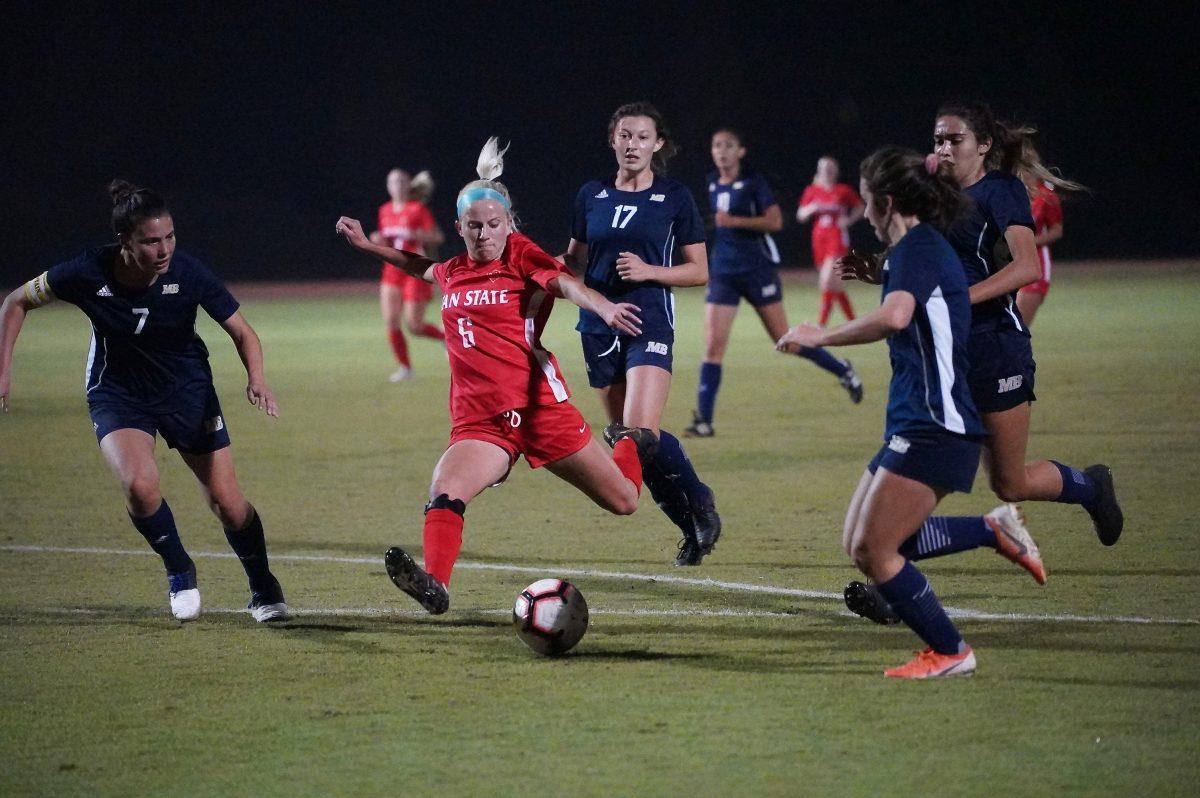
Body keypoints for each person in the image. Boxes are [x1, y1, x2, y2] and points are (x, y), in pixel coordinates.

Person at [336, 138, 655, 615]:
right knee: (445, 489)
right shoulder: (452, 271)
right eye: (473, 226)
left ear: (509, 223)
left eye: (493, 224)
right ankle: (435, 586)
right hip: (481, 421)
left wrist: (604, 305)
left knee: (625, 501)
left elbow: (564, 283)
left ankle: (630, 440)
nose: (484, 234)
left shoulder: (521, 255)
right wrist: (368, 246)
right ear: (459, 227)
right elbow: (422, 267)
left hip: (539, 410)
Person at [835, 101, 1123, 627]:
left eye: (954, 140)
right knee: (924, 468)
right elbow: (928, 264)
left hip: (994, 348)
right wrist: (876, 270)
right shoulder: (937, 197)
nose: (943, 149)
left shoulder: (1000, 192)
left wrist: (962, 299)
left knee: (1008, 483)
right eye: (938, 139)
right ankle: (893, 577)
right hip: (945, 354)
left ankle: (1090, 486)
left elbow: (1026, 265)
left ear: (984, 145)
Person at [779, 148, 1047, 678]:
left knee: (878, 551)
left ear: (889, 202)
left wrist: (821, 336)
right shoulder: (914, 248)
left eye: (869, 199)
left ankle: (952, 652)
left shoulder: (919, 245)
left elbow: (896, 315)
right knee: (861, 542)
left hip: (936, 423)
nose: (866, 212)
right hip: (915, 417)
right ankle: (990, 531)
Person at [0, 181, 289, 622]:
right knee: (139, 485)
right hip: (118, 391)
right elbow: (15, 302)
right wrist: (3, 371)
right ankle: (179, 570)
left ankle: (264, 588)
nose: (163, 249)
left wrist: (257, 378)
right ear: (124, 242)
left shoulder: (189, 273)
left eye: (169, 237)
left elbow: (243, 332)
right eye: (151, 241)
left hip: (186, 389)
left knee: (228, 504)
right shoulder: (86, 271)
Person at [562, 102, 722, 566]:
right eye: (625, 135)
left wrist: (650, 270)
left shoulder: (675, 197)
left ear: (658, 144)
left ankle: (701, 505)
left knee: (639, 434)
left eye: (642, 137)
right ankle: (690, 527)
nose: (633, 144)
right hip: (597, 325)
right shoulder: (590, 195)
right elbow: (573, 261)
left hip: (648, 321)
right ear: (612, 141)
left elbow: (699, 272)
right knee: (623, 438)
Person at [684, 129, 863, 438]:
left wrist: (736, 221)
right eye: (716, 145)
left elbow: (776, 221)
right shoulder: (712, 181)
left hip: (758, 271)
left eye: (728, 145)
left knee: (784, 340)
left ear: (740, 151)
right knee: (713, 348)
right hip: (724, 273)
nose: (721, 151)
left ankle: (843, 371)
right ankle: (704, 421)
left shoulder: (754, 183)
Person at [372, 168, 446, 382]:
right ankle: (405, 368)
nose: (396, 186)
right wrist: (377, 239)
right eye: (392, 182)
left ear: (408, 185)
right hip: (391, 271)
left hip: (414, 270)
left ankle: (444, 336)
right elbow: (386, 242)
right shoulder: (384, 210)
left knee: (414, 325)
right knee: (391, 322)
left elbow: (437, 237)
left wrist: (418, 235)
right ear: (387, 186)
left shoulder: (417, 209)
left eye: (400, 181)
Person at [797, 156, 864, 326]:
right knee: (835, 285)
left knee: (826, 281)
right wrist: (811, 208)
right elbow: (801, 216)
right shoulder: (812, 191)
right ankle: (853, 323)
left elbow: (860, 206)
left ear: (836, 171)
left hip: (837, 238)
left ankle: (820, 325)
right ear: (818, 170)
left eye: (830, 168)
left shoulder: (842, 190)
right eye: (823, 168)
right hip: (819, 240)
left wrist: (848, 220)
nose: (826, 171)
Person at [1015, 157, 1064, 326]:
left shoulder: (1046, 196)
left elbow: (1057, 231)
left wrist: (1028, 241)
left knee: (1016, 329)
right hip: (1011, 266)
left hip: (1036, 267)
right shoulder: (1014, 195)